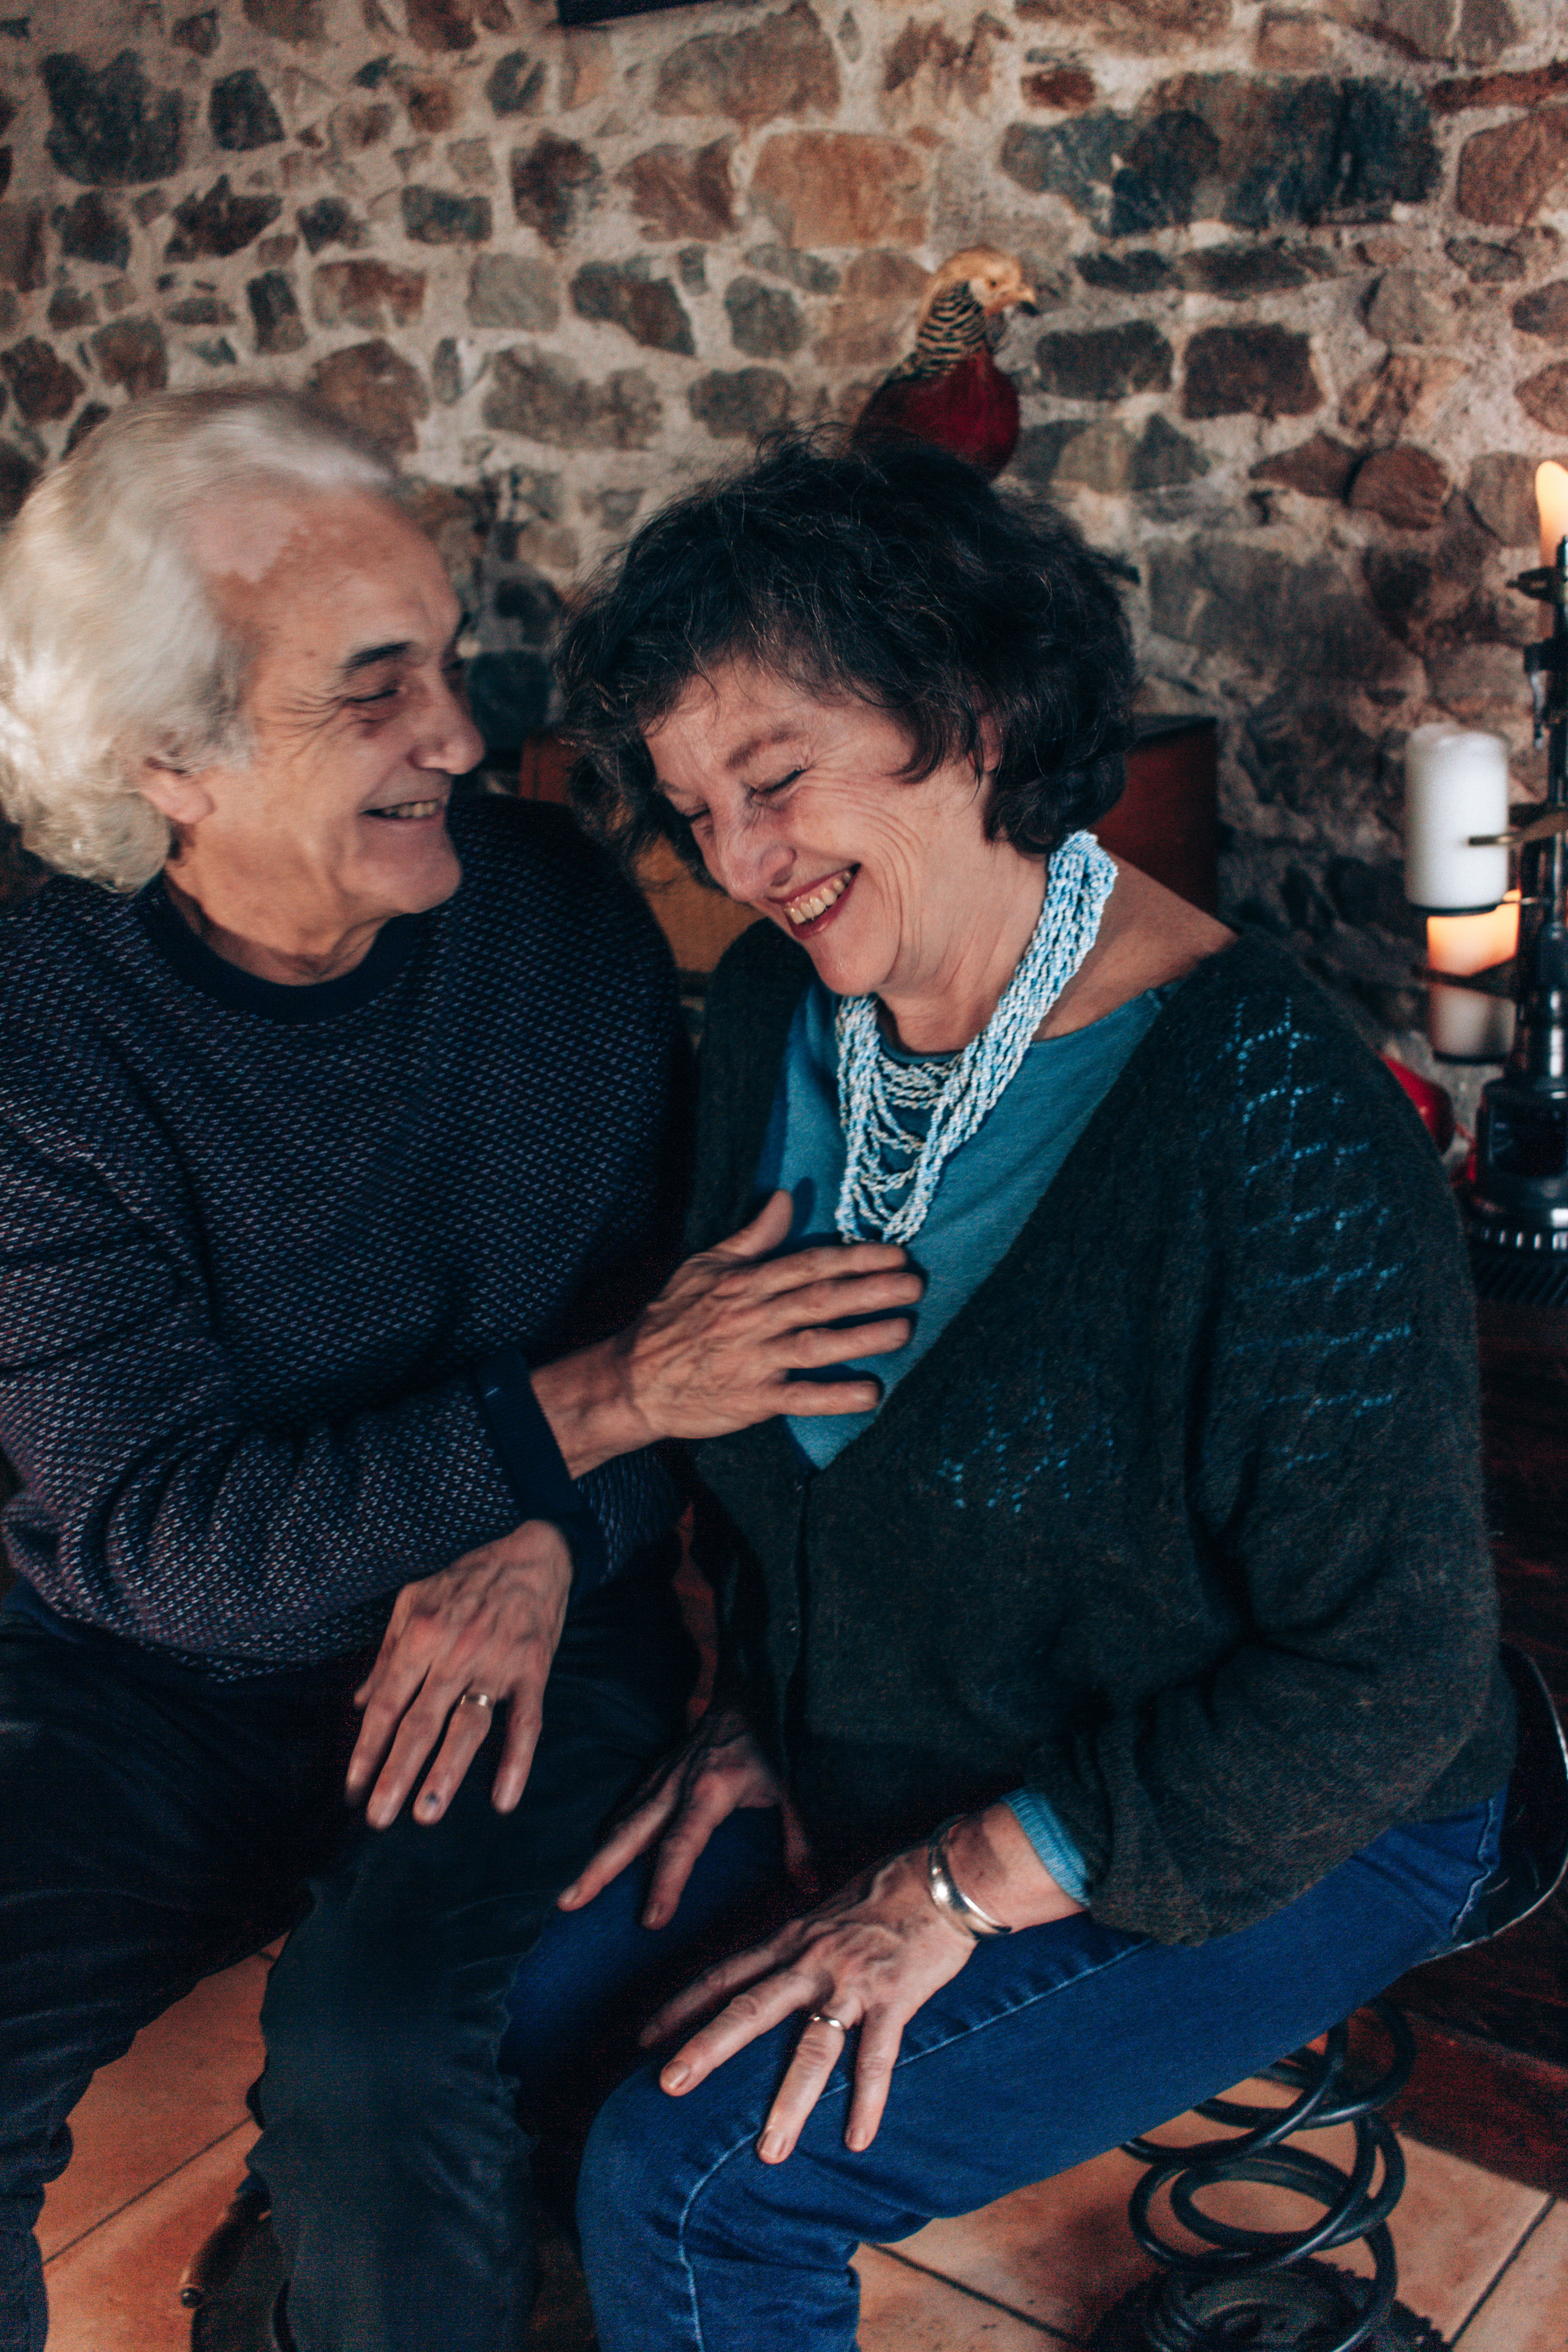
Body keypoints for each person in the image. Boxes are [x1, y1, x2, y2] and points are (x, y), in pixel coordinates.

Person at [511, 432, 1517, 2352]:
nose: (739, 864)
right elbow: (805, 1488)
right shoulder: (774, 1023)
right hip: (909, 1742)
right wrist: (766, 1709)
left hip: (1291, 1799)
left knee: (701, 2187)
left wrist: (959, 1887)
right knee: (500, 2017)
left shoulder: (1271, 1111)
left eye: (777, 779)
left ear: (971, 715)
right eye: (695, 809)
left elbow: (1387, 1671)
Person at [0, 391, 922, 2352]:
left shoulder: (556, 919)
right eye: (375, 689)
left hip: (538, 1619)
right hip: (143, 1684)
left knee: (385, 2060)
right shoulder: (40, 1047)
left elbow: (706, 1350)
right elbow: (166, 1545)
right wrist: (580, 1418)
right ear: (169, 758)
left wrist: (554, 1523)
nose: (460, 735)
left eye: (444, 660)